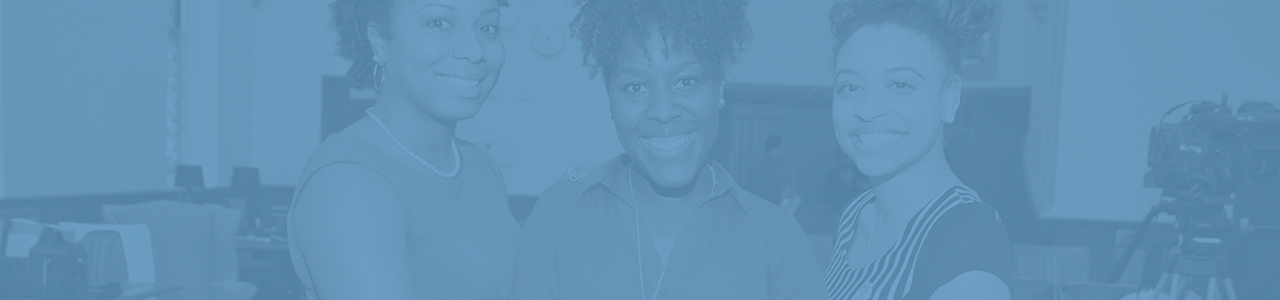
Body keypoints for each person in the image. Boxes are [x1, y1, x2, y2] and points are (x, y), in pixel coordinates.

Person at [509, 0, 827, 299]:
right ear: (611, 101)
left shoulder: (775, 237)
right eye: (636, 87)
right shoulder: (561, 216)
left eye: (686, 81)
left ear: (718, 88)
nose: (662, 110)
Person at [287, 0, 517, 299]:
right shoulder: (346, 182)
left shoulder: (479, 166)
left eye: (487, 27)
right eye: (439, 22)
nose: (474, 50)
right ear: (379, 41)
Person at [822, 0, 1014, 299]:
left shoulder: (968, 236)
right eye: (850, 87)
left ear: (949, 98)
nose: (868, 109)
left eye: (900, 84)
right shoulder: (854, 217)